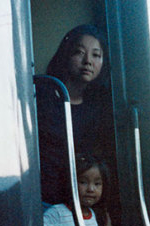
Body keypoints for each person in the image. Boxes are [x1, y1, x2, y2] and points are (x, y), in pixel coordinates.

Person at [38, 24, 113, 205]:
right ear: (66, 54)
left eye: (96, 55)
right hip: (38, 195)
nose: (88, 61)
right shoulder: (42, 92)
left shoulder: (98, 108)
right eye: (79, 52)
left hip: (72, 205)